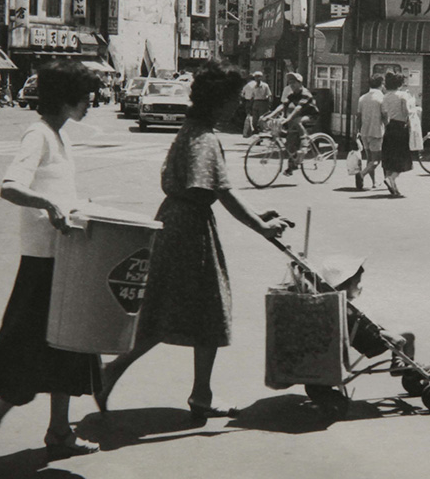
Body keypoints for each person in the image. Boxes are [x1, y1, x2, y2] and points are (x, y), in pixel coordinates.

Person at [95, 60, 289, 419]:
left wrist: (259, 216)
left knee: (181, 312)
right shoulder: (204, 139)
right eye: (234, 99)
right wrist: (259, 227)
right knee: (202, 310)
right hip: (188, 231)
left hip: (176, 222)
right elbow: (219, 192)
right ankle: (118, 374)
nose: (237, 105)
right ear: (219, 102)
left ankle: (193, 392)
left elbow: (222, 189)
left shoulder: (194, 130)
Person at [0, 60, 103, 461]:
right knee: (31, 349)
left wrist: (78, 208)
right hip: (43, 262)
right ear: (66, 98)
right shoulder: (37, 135)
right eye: (86, 96)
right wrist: (50, 205)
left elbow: (58, 192)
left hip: (64, 258)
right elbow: (10, 187)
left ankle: (58, 430)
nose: (90, 103)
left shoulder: (60, 137)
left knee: (68, 346)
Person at [267, 72, 317, 174]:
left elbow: (298, 108)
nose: (291, 85)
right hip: (297, 117)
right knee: (290, 141)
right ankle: (292, 166)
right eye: (290, 83)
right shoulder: (292, 95)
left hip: (311, 116)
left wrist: (288, 118)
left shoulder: (305, 94)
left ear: (299, 83)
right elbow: (282, 105)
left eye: (293, 82)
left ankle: (304, 142)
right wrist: (270, 115)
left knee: (297, 120)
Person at [380, 71, 412, 198]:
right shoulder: (403, 95)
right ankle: (391, 179)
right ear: (400, 84)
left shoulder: (385, 97)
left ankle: (394, 187)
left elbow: (384, 114)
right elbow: (406, 112)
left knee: (389, 157)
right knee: (402, 157)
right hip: (400, 128)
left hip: (389, 127)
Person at [355, 74, 386, 190]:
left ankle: (373, 182)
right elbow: (385, 116)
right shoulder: (381, 98)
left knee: (369, 159)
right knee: (376, 160)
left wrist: (356, 132)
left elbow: (358, 117)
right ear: (381, 84)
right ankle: (362, 174)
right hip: (376, 132)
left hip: (364, 133)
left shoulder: (362, 98)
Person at [242, 71, 272, 137]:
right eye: (256, 77)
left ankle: (261, 135)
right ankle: (256, 134)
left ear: (261, 78)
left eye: (258, 77)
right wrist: (250, 106)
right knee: (254, 121)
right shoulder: (253, 87)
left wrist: (269, 105)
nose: (257, 79)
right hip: (255, 103)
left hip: (263, 103)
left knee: (261, 120)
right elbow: (252, 97)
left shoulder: (265, 86)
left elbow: (269, 95)